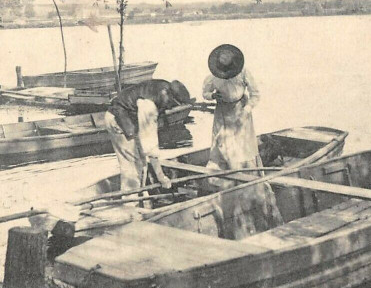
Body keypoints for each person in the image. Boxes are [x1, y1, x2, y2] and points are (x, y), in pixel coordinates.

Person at [104, 79, 192, 191]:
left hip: (128, 120)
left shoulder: (162, 88)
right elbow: (149, 145)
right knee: (132, 165)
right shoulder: (149, 106)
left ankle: (141, 194)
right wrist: (161, 177)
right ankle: (131, 202)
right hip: (118, 121)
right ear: (167, 95)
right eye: (171, 104)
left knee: (141, 162)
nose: (169, 107)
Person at [203, 44, 262, 174]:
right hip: (222, 112)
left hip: (241, 109)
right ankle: (223, 173)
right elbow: (205, 93)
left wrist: (246, 110)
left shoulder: (244, 72)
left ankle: (247, 173)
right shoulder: (214, 76)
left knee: (243, 145)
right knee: (221, 143)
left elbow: (255, 94)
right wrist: (212, 95)